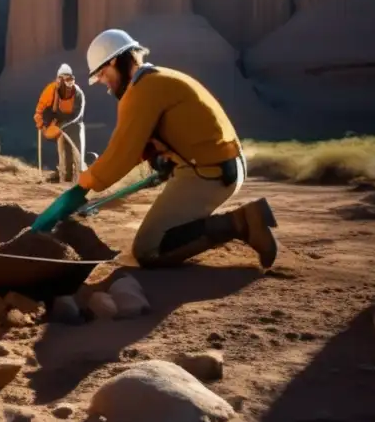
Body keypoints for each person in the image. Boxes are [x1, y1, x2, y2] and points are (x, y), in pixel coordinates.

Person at [39, 28, 278, 269]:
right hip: (219, 164)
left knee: (147, 248)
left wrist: (82, 187)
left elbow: (122, 154)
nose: (103, 83)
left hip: (209, 172)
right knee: (164, 231)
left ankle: (242, 223)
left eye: (102, 74)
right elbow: (149, 142)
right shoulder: (157, 78)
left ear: (115, 61)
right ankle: (222, 224)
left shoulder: (141, 91)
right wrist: (161, 160)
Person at [33, 64, 87, 182]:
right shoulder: (51, 90)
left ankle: (82, 182)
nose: (64, 81)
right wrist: (40, 122)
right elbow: (40, 108)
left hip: (75, 125)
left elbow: (77, 114)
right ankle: (65, 181)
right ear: (58, 78)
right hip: (60, 125)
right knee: (63, 155)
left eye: (68, 78)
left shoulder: (77, 92)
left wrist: (63, 125)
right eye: (62, 78)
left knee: (78, 155)